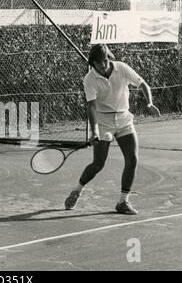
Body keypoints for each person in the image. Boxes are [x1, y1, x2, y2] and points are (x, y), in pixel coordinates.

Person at [65, 44, 161, 215]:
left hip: (124, 118)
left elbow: (143, 84)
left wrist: (149, 103)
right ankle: (77, 190)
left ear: (108, 57)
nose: (104, 65)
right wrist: (94, 131)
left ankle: (123, 202)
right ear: (92, 64)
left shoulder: (122, 68)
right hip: (103, 120)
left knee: (132, 159)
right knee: (98, 164)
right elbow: (92, 107)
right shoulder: (89, 79)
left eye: (105, 60)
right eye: (99, 63)